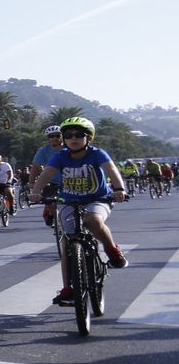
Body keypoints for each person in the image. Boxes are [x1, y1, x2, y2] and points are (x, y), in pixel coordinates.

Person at [28, 117, 127, 306]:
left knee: (93, 221)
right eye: (68, 135)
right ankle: (68, 288)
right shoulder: (60, 156)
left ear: (88, 138)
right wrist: (35, 192)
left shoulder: (97, 154)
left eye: (79, 135)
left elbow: (112, 170)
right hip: (68, 201)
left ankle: (112, 250)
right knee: (68, 243)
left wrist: (119, 189)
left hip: (97, 199)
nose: (73, 138)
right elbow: (46, 174)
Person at [31, 125, 65, 226]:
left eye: (57, 135)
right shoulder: (43, 151)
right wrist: (31, 182)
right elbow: (35, 167)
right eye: (51, 136)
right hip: (51, 181)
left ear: (62, 136)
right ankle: (53, 215)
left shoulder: (70, 148)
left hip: (70, 182)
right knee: (51, 203)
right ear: (48, 138)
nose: (54, 138)